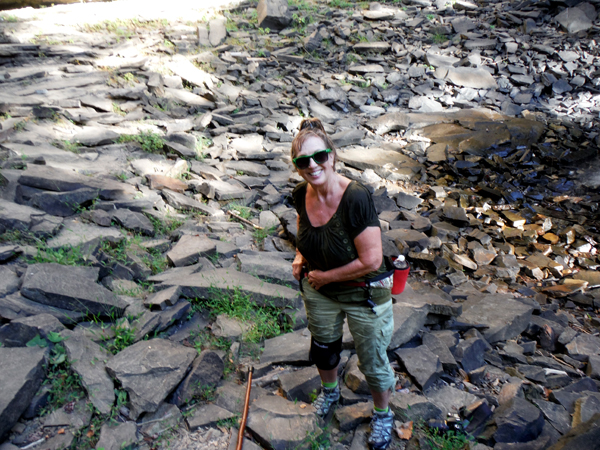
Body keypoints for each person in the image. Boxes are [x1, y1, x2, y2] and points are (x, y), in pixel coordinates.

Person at [291, 118, 396, 450]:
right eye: (302, 161)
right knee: (324, 348)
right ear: (296, 167)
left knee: (372, 359)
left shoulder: (356, 198)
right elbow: (304, 229)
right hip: (320, 291)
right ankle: (330, 393)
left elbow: (372, 260)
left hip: (363, 292)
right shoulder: (300, 194)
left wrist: (325, 277)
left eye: (318, 157)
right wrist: (299, 255)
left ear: (332, 156)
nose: (312, 166)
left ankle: (382, 413)